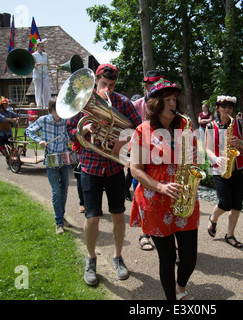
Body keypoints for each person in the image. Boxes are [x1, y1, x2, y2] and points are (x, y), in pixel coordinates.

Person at [66, 63, 142, 285]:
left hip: (115, 168)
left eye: (111, 85)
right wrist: (83, 129)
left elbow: (139, 128)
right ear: (96, 81)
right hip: (90, 167)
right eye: (103, 84)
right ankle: (91, 260)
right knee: (92, 217)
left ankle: (118, 257)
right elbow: (70, 130)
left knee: (118, 215)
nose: (107, 89)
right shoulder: (82, 101)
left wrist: (122, 141)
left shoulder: (122, 102)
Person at [130, 78, 199, 300]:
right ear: (156, 103)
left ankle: (181, 287)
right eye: (168, 100)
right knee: (167, 259)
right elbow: (135, 170)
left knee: (189, 257)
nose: (173, 104)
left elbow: (193, 162)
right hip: (155, 202)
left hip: (183, 198)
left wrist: (194, 165)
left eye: (175, 99)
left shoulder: (185, 128)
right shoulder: (142, 130)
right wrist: (160, 185)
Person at [205, 95, 243, 248]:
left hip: (238, 168)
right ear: (218, 108)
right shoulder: (211, 126)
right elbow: (208, 149)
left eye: (230, 107)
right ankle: (213, 219)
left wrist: (240, 143)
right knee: (225, 203)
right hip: (219, 168)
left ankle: (230, 235)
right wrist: (216, 159)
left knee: (237, 205)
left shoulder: (239, 123)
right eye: (223, 106)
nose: (227, 110)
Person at [25, 98, 72, 234]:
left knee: (64, 191)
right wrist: (39, 140)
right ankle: (58, 223)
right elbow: (29, 131)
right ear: (51, 110)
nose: (58, 114)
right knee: (56, 192)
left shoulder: (65, 120)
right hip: (51, 160)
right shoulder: (44, 120)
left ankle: (62, 218)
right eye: (56, 110)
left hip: (64, 159)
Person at [131, 70, 163, 251]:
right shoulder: (136, 105)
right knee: (142, 195)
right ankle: (144, 233)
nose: (155, 89)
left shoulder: (164, 104)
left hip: (161, 159)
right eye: (152, 85)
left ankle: (162, 233)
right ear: (146, 86)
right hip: (142, 158)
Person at [0, 97, 31, 164]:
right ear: (1, 104)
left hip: (7, 132)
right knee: (2, 146)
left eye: (7, 104)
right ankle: (7, 157)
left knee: (11, 145)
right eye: (5, 104)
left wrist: (29, 116)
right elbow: (3, 118)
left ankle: (15, 158)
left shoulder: (9, 112)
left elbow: (17, 115)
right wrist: (13, 119)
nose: (7, 105)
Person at [32, 39, 51, 108]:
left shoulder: (45, 55)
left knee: (47, 88)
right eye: (41, 47)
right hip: (37, 73)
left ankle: (47, 104)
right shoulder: (34, 55)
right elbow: (32, 65)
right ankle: (39, 105)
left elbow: (47, 63)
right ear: (37, 47)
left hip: (44, 72)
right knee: (38, 89)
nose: (42, 48)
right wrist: (37, 65)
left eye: (43, 47)